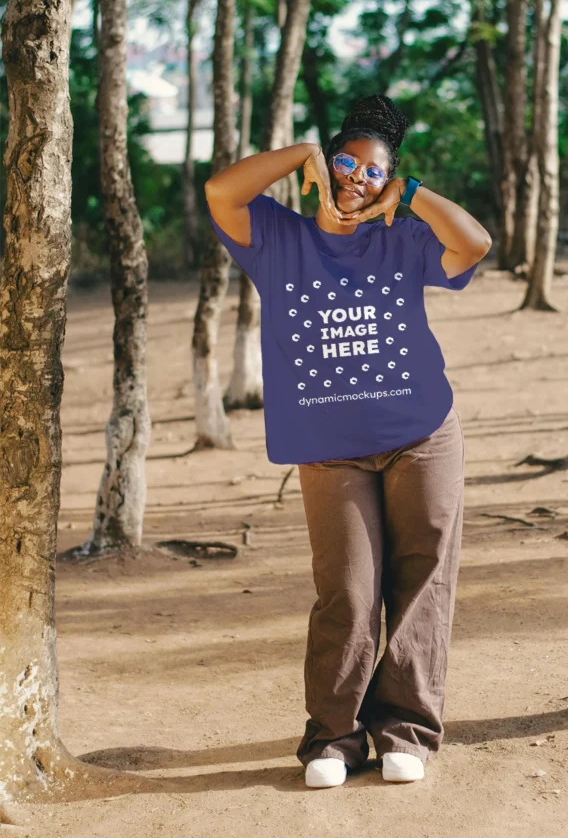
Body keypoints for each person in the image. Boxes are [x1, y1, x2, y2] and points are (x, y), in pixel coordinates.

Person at [205, 94, 492, 788]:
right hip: (329, 448)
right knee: (348, 592)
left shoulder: (403, 236)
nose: (355, 178)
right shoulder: (277, 237)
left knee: (423, 583)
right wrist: (299, 155)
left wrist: (412, 195)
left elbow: (474, 242)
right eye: (344, 162)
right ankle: (333, 737)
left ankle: (407, 732)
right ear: (325, 165)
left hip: (419, 435)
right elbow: (220, 189)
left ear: (388, 180)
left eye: (374, 171)